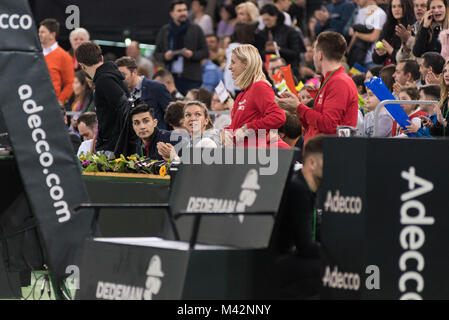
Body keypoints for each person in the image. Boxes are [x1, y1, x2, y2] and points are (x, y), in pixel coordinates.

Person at [276, 31, 359, 142]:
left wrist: (299, 107)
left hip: (328, 154)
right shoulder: (329, 80)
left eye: (314, 52)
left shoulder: (339, 82)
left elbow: (329, 125)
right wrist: (296, 109)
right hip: (318, 152)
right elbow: (315, 125)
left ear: (320, 55)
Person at [270, 135, 323, 299]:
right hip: (277, 262)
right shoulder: (298, 189)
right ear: (312, 163)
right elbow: (305, 246)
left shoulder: (303, 187)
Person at [225, 44, 287, 147]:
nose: (229, 67)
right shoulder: (242, 94)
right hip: (241, 156)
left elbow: (278, 117)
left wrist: (248, 128)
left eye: (233, 62)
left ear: (246, 64)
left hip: (254, 157)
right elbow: (236, 129)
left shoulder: (259, 87)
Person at [75, 41, 130, 156]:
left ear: (82, 65)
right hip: (116, 144)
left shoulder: (104, 80)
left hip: (113, 147)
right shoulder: (111, 77)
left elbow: (124, 107)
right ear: (101, 57)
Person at [154, 0, 209, 95]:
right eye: (179, 11)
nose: (183, 13)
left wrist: (192, 54)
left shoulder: (196, 29)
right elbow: (156, 54)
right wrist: (165, 56)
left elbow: (205, 52)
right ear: (171, 14)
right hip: (171, 78)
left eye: (185, 10)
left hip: (192, 78)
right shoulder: (165, 30)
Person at [116, 56, 173, 130]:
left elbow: (171, 116)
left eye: (123, 75)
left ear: (134, 72)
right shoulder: (121, 94)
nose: (121, 80)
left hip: (158, 139)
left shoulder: (156, 87)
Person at [157, 101, 222, 161]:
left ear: (206, 121)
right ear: (184, 121)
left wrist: (173, 156)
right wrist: (171, 158)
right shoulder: (190, 143)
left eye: (198, 114)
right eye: (188, 115)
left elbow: (196, 171)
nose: (192, 118)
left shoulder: (207, 142)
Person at [256, 4, 306, 79]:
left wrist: (279, 49)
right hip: (268, 73)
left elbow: (296, 53)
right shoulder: (261, 33)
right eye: (264, 20)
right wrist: (266, 50)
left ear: (275, 16)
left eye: (268, 19)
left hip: (289, 70)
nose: (266, 23)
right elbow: (258, 55)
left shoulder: (289, 31)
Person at [39, 18, 74, 105]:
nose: (39, 34)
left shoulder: (64, 56)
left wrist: (59, 102)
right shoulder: (35, 53)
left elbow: (70, 84)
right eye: (39, 32)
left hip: (51, 105)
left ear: (52, 35)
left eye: (43, 32)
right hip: (32, 103)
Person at [372, 0, 415, 65]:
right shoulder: (387, 27)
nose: (396, 9)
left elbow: (408, 59)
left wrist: (391, 50)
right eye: (394, 7)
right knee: (369, 74)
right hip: (385, 69)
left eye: (400, 6)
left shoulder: (411, 27)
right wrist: (381, 52)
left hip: (403, 70)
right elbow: (375, 59)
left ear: (407, 7)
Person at [346, 0, 387, 68]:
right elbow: (355, 34)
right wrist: (349, 51)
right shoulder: (361, 12)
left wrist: (357, 34)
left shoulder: (379, 13)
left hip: (372, 60)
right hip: (357, 57)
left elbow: (374, 37)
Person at [223, 22, 256, 97]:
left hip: (234, 87)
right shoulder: (240, 51)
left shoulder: (231, 49)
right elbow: (230, 71)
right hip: (239, 87)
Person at [424, 60, 449, 136]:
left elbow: (443, 123)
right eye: (445, 71)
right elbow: (438, 134)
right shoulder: (444, 100)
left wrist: (443, 121)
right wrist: (431, 126)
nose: (447, 74)